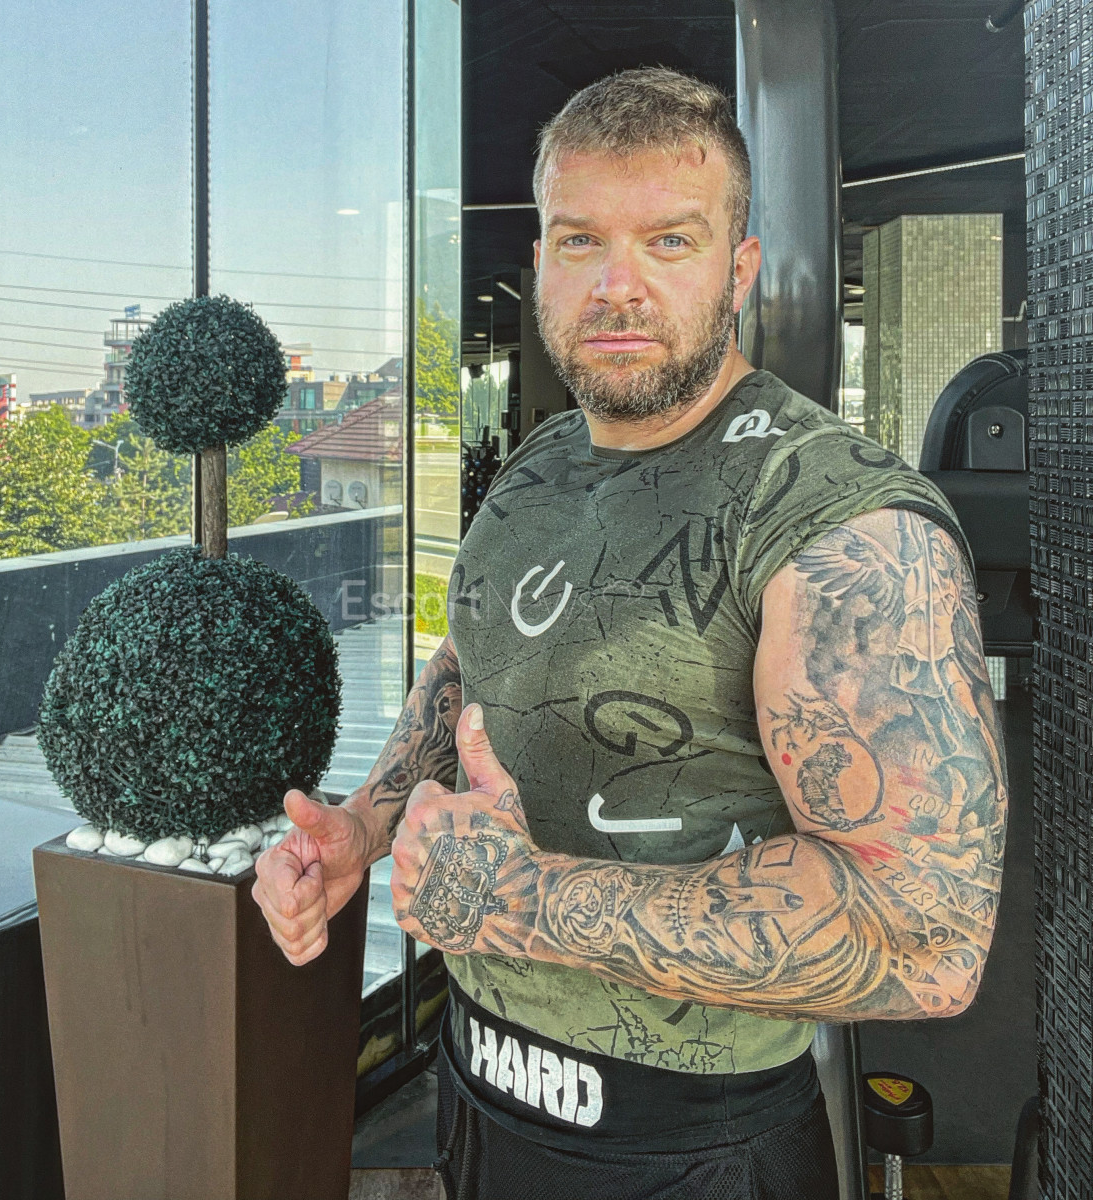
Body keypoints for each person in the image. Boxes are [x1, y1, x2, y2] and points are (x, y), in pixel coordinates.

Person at [253, 68, 1008, 1200]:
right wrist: (363, 828)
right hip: (478, 1093)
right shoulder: (541, 464)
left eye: (668, 241)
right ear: (540, 263)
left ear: (738, 269)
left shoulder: (840, 521)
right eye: (580, 241)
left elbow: (927, 937)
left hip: (692, 1147)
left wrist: (519, 904)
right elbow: (475, 666)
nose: (617, 285)